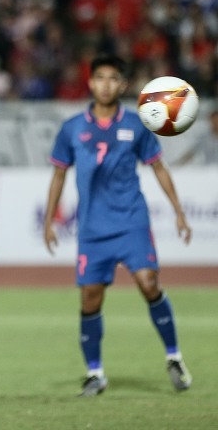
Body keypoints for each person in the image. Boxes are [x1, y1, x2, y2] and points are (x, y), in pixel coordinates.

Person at [43, 54, 193, 397]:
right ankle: (95, 373)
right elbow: (58, 174)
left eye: (113, 78)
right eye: (100, 78)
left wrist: (179, 211)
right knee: (90, 300)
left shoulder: (139, 125)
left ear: (123, 85)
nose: (106, 84)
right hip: (93, 229)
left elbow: (158, 167)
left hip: (131, 222)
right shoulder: (73, 129)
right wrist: (51, 219)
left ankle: (174, 356)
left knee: (148, 282)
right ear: (91, 83)